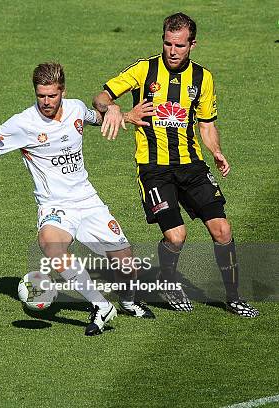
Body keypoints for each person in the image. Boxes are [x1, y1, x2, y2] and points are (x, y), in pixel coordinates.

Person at [0, 62, 156, 337]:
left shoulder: (76, 108)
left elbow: (98, 119)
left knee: (126, 263)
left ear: (62, 91)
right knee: (50, 245)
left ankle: (127, 302)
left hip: (89, 201)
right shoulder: (23, 123)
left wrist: (122, 113)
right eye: (41, 95)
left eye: (52, 95)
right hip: (54, 206)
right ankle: (101, 306)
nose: (46, 102)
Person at [93, 12, 259, 317]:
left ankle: (234, 297)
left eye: (180, 45)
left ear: (192, 44)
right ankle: (167, 281)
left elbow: (206, 123)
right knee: (176, 236)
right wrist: (116, 108)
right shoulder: (144, 70)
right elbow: (101, 97)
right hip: (154, 169)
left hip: (192, 166)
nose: (172, 50)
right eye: (168, 43)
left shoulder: (203, 78)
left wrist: (217, 151)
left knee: (222, 230)